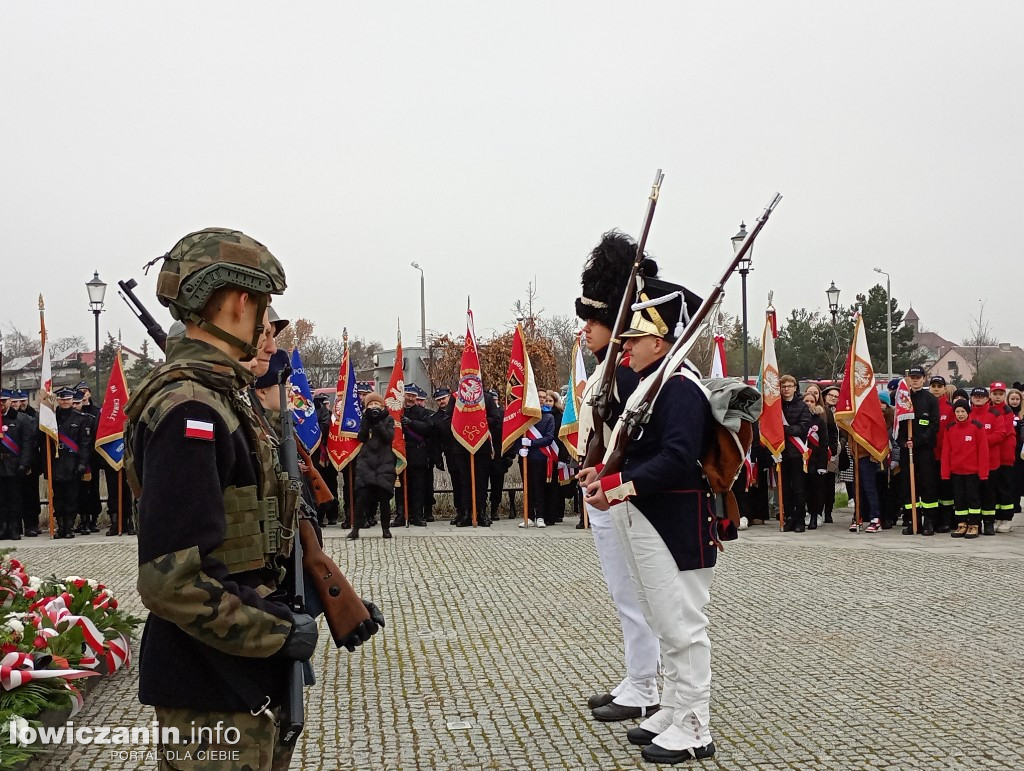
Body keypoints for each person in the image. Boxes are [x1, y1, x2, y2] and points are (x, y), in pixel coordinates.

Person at [123, 228, 355, 768]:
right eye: (264, 305)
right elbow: (170, 580)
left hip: (236, 678)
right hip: (209, 684)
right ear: (239, 303)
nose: (267, 323)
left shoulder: (224, 399)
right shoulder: (191, 412)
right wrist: (277, 632)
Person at [582, 274, 718, 763]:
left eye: (634, 340)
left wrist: (620, 487)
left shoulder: (680, 387)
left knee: (682, 623)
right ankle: (676, 707)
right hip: (647, 515)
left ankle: (695, 722)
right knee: (663, 618)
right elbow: (636, 452)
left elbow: (679, 457)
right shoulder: (649, 386)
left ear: (659, 342)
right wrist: (604, 476)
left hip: (674, 519)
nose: (626, 349)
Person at [573, 231, 662, 723]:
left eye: (596, 320)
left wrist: (609, 477)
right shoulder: (609, 368)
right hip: (603, 489)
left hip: (621, 495)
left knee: (637, 593)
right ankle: (638, 676)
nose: (586, 328)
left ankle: (646, 685)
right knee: (625, 594)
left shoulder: (626, 374)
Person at [897, 367, 940, 535]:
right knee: (908, 485)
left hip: (924, 450)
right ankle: (913, 519)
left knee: (927, 485)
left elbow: (934, 425)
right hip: (906, 450)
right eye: (912, 377)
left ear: (923, 379)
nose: (915, 380)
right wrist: (903, 442)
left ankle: (929, 521)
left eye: (918, 377)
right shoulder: (903, 399)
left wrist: (918, 441)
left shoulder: (930, 399)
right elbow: (898, 425)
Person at [348, 393, 397, 539]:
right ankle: (355, 529)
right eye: (371, 405)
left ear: (382, 406)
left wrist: (378, 423)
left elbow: (388, 438)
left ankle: (386, 529)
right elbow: (361, 437)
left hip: (384, 462)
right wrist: (367, 421)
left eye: (377, 405)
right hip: (366, 463)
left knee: (384, 498)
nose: (374, 407)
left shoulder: (388, 419)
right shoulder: (365, 419)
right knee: (361, 498)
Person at [941, 397, 988, 539]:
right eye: (957, 411)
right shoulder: (949, 428)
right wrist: (945, 473)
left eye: (962, 411)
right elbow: (946, 452)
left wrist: (983, 473)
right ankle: (961, 523)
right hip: (956, 472)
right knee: (959, 499)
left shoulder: (977, 427)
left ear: (968, 412)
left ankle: (974, 524)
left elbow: (983, 451)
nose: (960, 414)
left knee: (973, 499)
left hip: (972, 472)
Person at [50, 386, 91, 539]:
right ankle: (60, 526)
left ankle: (69, 527)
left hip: (72, 463)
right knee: (58, 498)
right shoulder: (51, 418)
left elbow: (85, 444)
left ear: (72, 400)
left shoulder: (81, 418)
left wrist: (82, 463)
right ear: (58, 400)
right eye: (62, 399)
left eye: (67, 399)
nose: (65, 402)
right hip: (55, 462)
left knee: (71, 497)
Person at [1, 390, 36, 540]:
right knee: (1, 499)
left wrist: (24, 463)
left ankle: (15, 528)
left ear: (10, 401)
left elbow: (28, 443)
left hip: (15, 465)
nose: (2, 404)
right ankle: (3, 527)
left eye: (4, 400)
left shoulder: (22, 419)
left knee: (16, 498)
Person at [393, 385, 430, 528]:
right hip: (400, 454)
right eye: (408, 395)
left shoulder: (422, 412)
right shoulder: (397, 411)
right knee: (400, 487)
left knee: (418, 488)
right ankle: (401, 515)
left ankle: (417, 516)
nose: (410, 398)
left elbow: (428, 428)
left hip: (417, 454)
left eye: (413, 396)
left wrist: (411, 423)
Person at [779, 375, 812, 532]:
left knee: (798, 488)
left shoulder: (802, 406)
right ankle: (789, 517)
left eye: (789, 386)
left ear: (795, 387)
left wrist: (784, 430)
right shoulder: (776, 405)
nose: (786, 389)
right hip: (780, 452)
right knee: (784, 488)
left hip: (797, 453)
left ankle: (800, 519)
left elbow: (803, 427)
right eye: (783, 386)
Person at [518, 394, 556, 528]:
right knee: (527, 487)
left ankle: (540, 516)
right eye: (538, 396)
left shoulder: (548, 417)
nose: (541, 399)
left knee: (539, 487)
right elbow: (515, 435)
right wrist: (519, 449)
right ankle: (528, 516)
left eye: (543, 397)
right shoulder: (524, 417)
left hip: (540, 457)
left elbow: (549, 438)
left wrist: (531, 443)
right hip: (525, 457)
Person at [970, 387, 1004, 536]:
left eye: (981, 396)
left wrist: (981, 440)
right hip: (971, 464)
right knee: (973, 495)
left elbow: (1000, 434)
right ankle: (975, 523)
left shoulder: (995, 414)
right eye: (975, 396)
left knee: (989, 495)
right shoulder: (966, 414)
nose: (978, 398)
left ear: (986, 399)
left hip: (991, 462)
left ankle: (989, 522)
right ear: (971, 398)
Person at [988, 382, 1016, 532]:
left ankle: (1006, 518)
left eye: (1000, 394)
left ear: (1004, 395)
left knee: (1005, 487)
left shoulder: (1007, 410)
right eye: (995, 394)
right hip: (992, 456)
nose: (998, 397)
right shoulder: (987, 409)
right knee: (994, 488)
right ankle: (997, 517)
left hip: (1005, 454)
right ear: (990, 394)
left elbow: (1002, 432)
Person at [929, 376, 956, 533]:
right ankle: (933, 518)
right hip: (928, 455)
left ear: (945, 388)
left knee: (946, 490)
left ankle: (946, 520)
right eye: (933, 386)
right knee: (931, 489)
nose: (936, 388)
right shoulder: (925, 405)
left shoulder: (950, 408)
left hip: (945, 456)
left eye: (939, 386)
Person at [802, 389, 829, 529]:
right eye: (806, 401)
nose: (809, 404)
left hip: (815, 460)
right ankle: (804, 513)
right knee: (803, 490)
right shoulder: (798, 419)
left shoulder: (819, 420)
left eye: (812, 401)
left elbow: (824, 443)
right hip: (801, 461)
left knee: (815, 490)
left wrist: (822, 464)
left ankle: (814, 515)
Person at [820, 385, 843, 524]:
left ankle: (828, 511)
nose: (833, 398)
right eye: (831, 395)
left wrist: (839, 444)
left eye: (836, 396)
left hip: (835, 451)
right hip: (821, 449)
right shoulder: (822, 410)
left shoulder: (841, 412)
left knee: (830, 484)